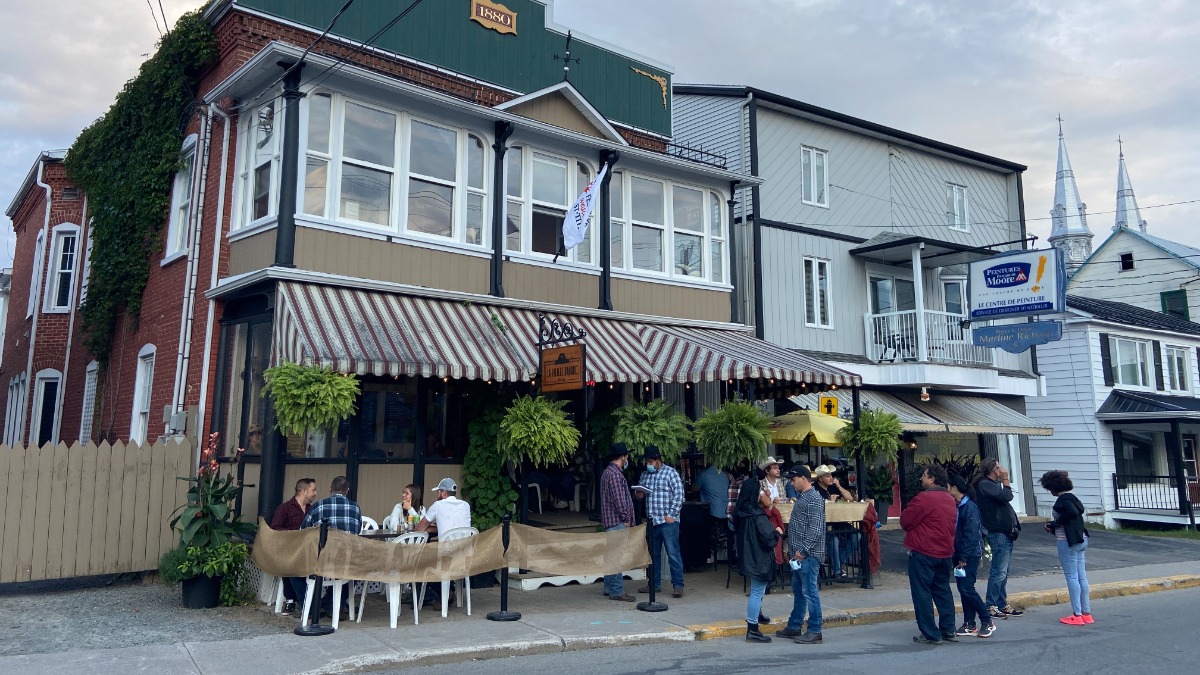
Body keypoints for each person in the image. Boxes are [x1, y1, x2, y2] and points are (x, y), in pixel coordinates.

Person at [901, 465, 958, 644]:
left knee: (922, 593)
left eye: (924, 476)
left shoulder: (924, 499)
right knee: (943, 591)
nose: (921, 479)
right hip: (944, 551)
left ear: (932, 479)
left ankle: (930, 633)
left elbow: (905, 521)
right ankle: (948, 629)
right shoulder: (949, 499)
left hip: (924, 551)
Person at [300, 476, 362, 618]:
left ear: (330, 489)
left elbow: (303, 530)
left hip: (321, 559)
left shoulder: (318, 506)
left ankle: (320, 604)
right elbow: (357, 531)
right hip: (347, 559)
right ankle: (336, 603)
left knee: (295, 570)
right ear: (347, 491)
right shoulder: (355, 507)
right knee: (358, 570)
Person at [776, 465, 825, 644]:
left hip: (807, 555)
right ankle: (795, 626)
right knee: (800, 592)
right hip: (800, 555)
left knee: (809, 592)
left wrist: (802, 551)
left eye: (794, 479)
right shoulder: (806, 497)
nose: (792, 482)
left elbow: (816, 529)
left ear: (803, 479)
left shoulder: (813, 499)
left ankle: (815, 630)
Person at [973, 458, 1024, 619]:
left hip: (1004, 532)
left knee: (1004, 570)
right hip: (998, 532)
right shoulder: (985, 484)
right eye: (997, 467)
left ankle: (1001, 603)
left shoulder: (989, 485)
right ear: (992, 470)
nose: (1000, 469)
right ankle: (991, 605)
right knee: (999, 570)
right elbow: (1007, 495)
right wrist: (1006, 479)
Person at [1039, 470, 1092, 626]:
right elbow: (1076, 514)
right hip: (1081, 538)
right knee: (1082, 577)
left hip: (1066, 541)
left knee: (1072, 577)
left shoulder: (1062, 500)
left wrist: (1054, 524)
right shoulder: (1073, 498)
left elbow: (1071, 513)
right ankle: (1086, 613)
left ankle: (1077, 614)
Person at [735, 481, 783, 643]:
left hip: (748, 555)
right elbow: (769, 538)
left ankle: (755, 619)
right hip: (759, 556)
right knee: (757, 591)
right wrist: (777, 532)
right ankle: (753, 628)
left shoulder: (740, 511)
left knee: (756, 590)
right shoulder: (757, 514)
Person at [948, 473, 995, 638]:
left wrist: (964, 556)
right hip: (959, 553)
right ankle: (969, 623)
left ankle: (986, 620)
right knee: (963, 589)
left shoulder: (969, 507)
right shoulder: (958, 505)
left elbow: (971, 534)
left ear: (954, 488)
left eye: (948, 486)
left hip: (968, 554)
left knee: (967, 588)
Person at [636, 446, 685, 598]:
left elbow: (679, 495)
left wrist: (671, 515)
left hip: (667, 521)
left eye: (650, 461)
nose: (648, 464)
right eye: (647, 462)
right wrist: (639, 494)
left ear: (658, 461)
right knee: (653, 555)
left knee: (673, 554)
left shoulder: (671, 473)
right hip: (652, 522)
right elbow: (640, 496)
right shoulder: (645, 475)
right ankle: (654, 584)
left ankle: (678, 585)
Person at [270, 477, 317, 615]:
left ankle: (305, 601)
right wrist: (293, 535)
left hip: (309, 549)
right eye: (313, 490)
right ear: (303, 491)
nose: (315, 493)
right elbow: (275, 527)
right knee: (290, 562)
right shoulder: (285, 508)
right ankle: (291, 599)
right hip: (289, 547)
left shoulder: (313, 509)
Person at [600, 443, 636, 602]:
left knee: (611, 556)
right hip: (617, 522)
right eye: (627, 456)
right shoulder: (614, 475)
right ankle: (617, 590)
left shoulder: (609, 473)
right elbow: (620, 500)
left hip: (611, 521)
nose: (628, 458)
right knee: (616, 556)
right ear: (622, 457)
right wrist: (626, 518)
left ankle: (609, 587)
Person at [812, 464, 858, 580]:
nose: (831, 478)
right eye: (827, 476)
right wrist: (829, 501)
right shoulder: (814, 488)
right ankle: (837, 571)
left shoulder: (833, 486)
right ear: (820, 478)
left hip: (838, 520)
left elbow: (850, 498)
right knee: (834, 540)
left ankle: (838, 560)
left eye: (831, 475)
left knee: (856, 535)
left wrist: (838, 485)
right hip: (824, 523)